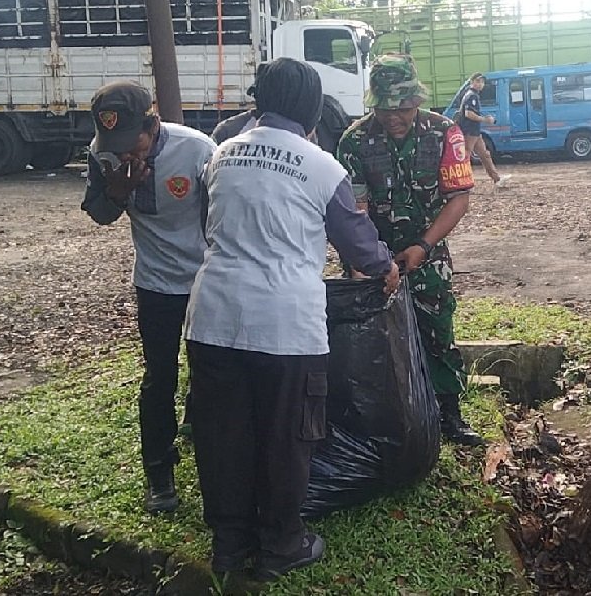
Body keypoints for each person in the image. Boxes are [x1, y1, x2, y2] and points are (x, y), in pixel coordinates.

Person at [184, 58, 399, 579]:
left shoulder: (221, 154)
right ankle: (282, 544)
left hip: (212, 317)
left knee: (223, 433)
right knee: (286, 437)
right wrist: (387, 267)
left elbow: (205, 222)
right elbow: (358, 244)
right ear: (312, 109)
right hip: (285, 326)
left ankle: (229, 546)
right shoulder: (322, 166)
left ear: (260, 101)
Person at [80, 81, 216, 513]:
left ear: (153, 125)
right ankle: (159, 475)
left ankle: (211, 455)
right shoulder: (102, 155)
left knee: (211, 374)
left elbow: (223, 218)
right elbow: (99, 213)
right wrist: (117, 190)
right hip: (155, 284)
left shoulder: (197, 150)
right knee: (159, 379)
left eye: (131, 143)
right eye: (114, 145)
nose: (123, 153)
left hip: (205, 282)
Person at [337, 54, 485, 447]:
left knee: (437, 331)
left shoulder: (445, 134)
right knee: (373, 339)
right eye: (384, 108)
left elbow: (458, 199)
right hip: (371, 256)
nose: (393, 117)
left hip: (427, 252)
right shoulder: (353, 142)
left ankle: (449, 412)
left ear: (417, 100)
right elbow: (356, 210)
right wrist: (366, 263)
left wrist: (422, 245)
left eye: (402, 107)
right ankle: (384, 416)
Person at [457, 72, 510, 187]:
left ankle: (497, 179)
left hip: (474, 131)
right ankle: (459, 182)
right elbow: (468, 114)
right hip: (469, 131)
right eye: (477, 81)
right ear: (471, 82)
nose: (480, 84)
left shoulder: (471, 95)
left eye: (482, 82)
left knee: (484, 155)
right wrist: (485, 119)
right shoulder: (472, 96)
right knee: (466, 156)